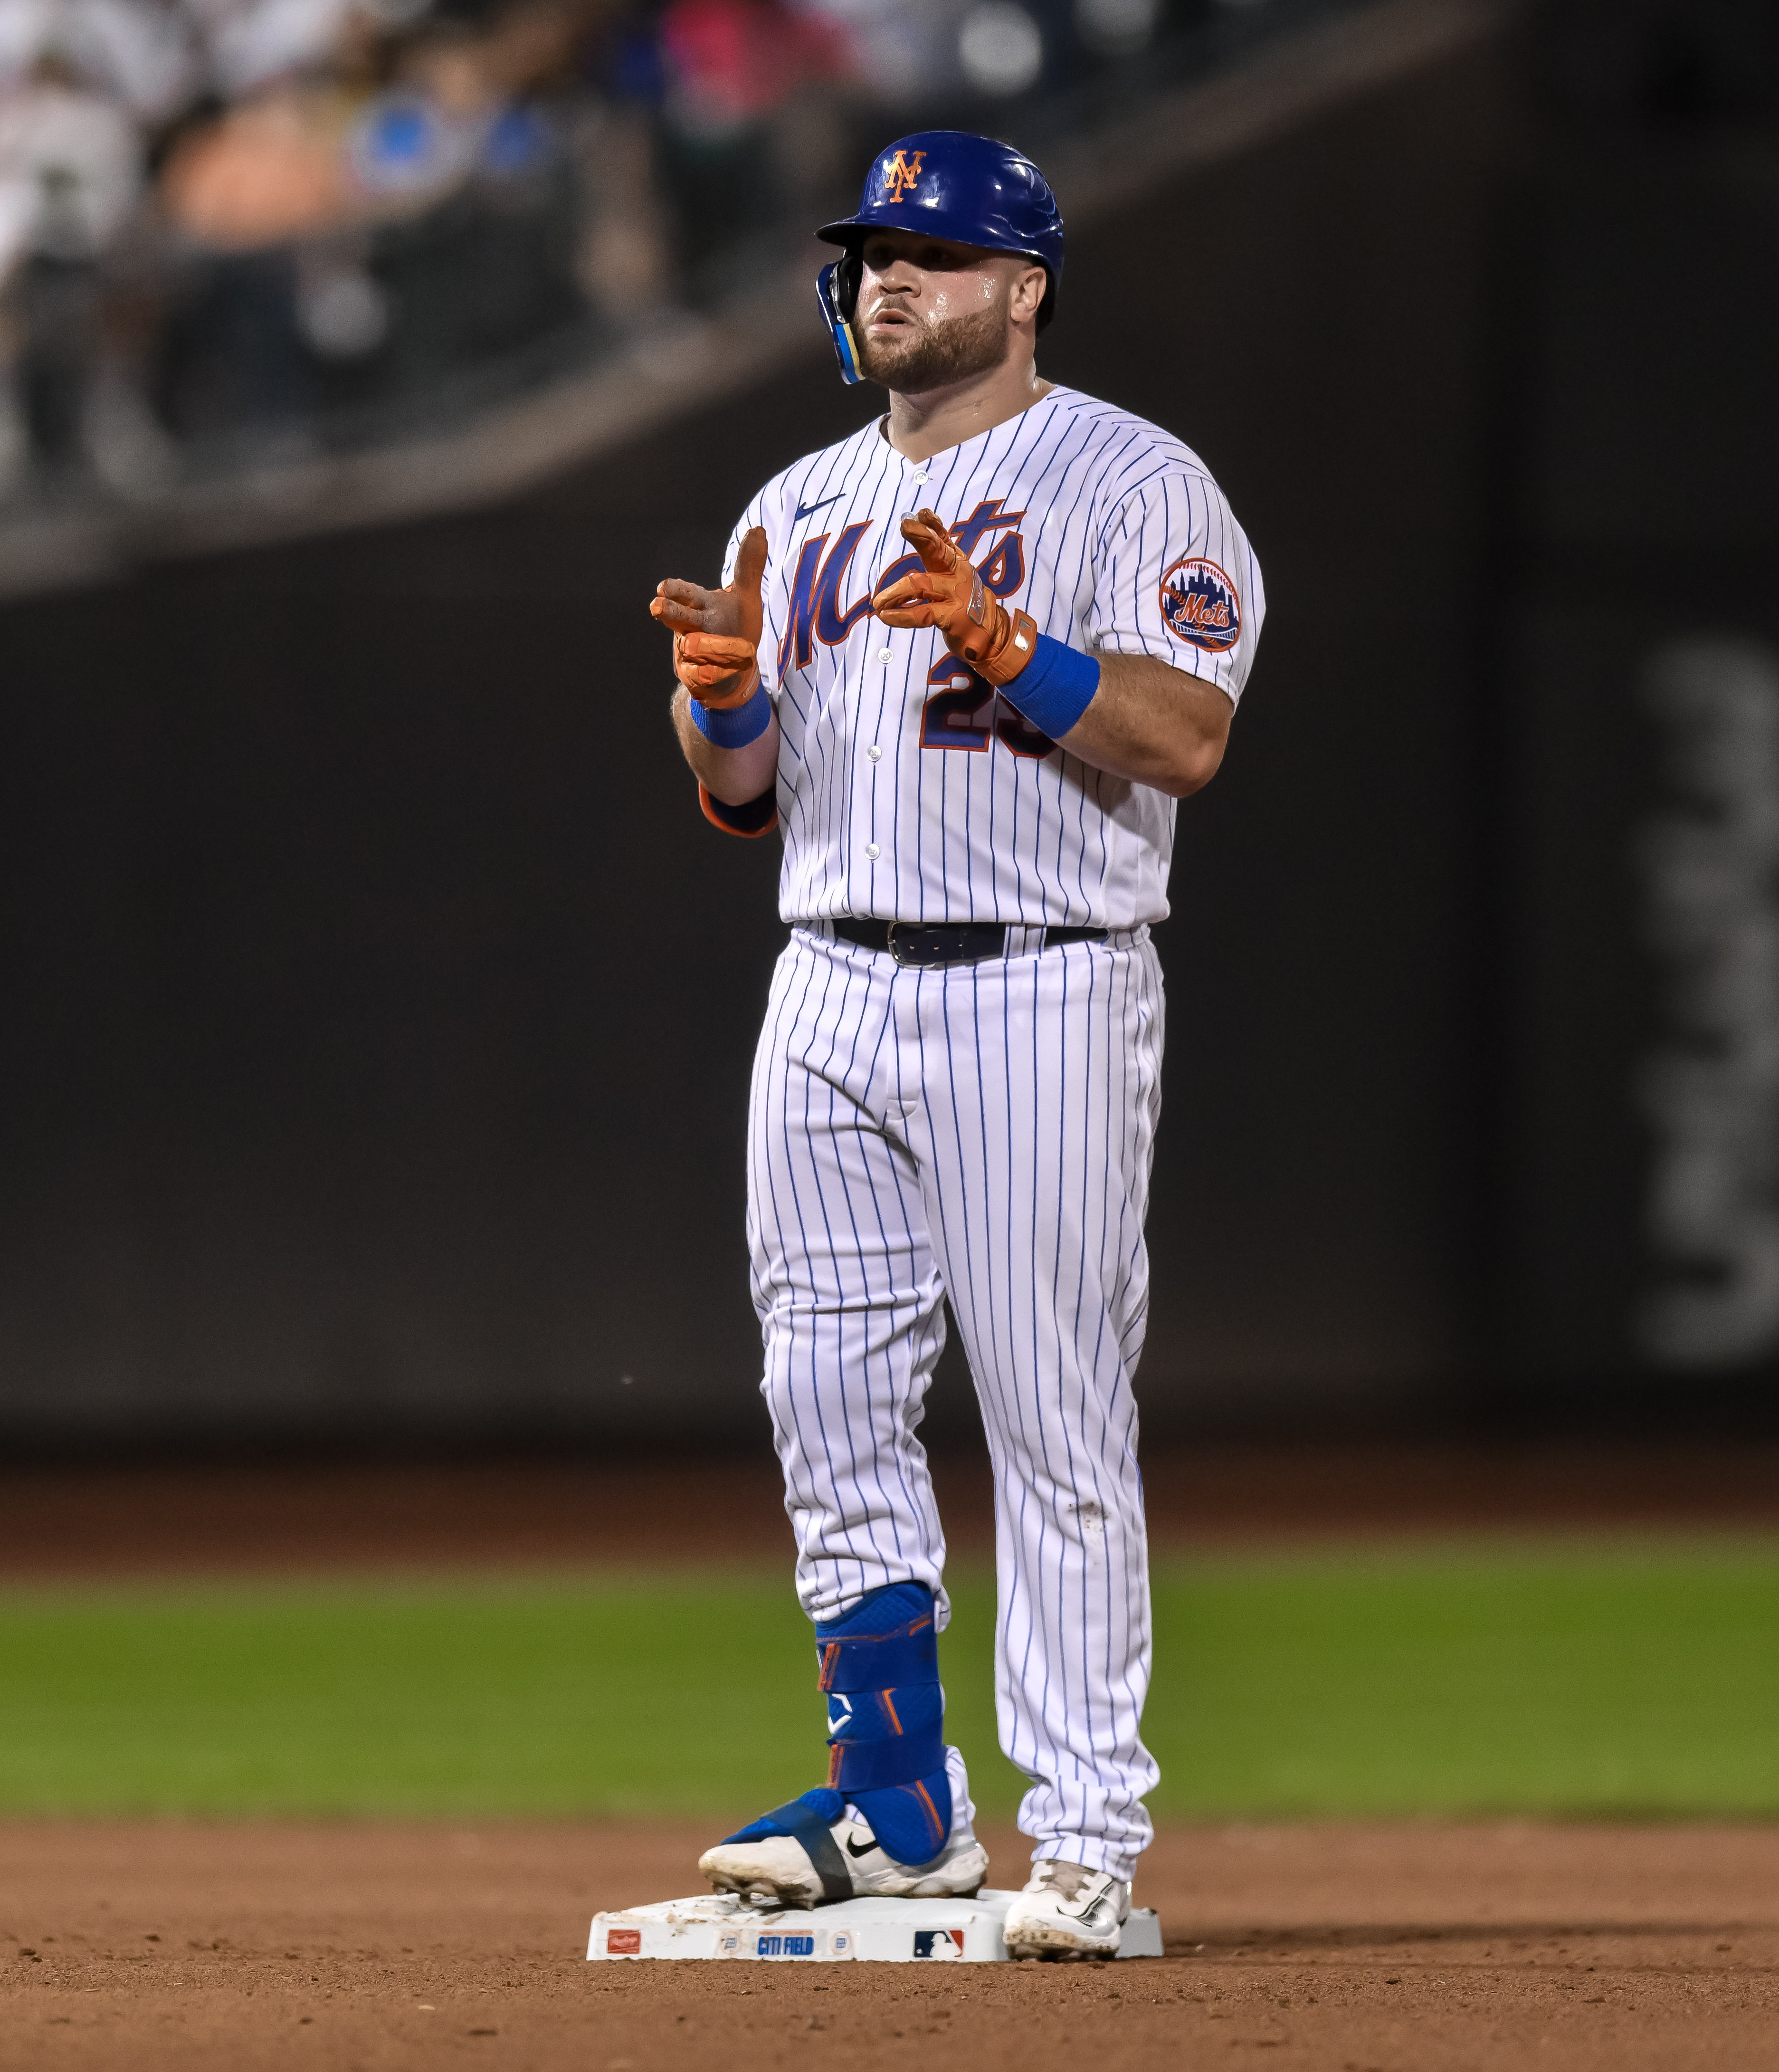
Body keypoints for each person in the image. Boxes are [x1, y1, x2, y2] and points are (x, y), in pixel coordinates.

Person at [646, 128, 1262, 1959]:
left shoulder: (1135, 480)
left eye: (930, 248)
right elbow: (745, 799)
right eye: (871, 251)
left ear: (1024, 285)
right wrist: (725, 710)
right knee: (824, 1396)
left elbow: (1186, 736)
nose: (888, 275)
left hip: (1042, 976)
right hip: (827, 973)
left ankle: (1083, 1838)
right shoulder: (797, 502)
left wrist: (1016, 644)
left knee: (1052, 1417)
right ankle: (899, 1803)